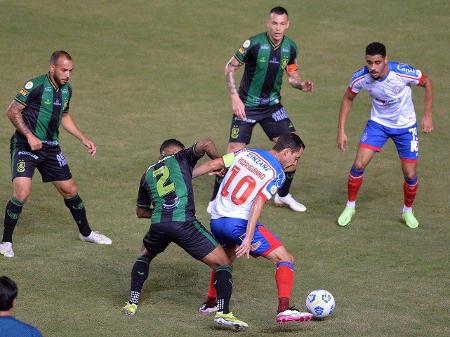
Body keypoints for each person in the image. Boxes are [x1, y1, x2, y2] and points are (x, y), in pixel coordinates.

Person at [122, 138, 248, 331]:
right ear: (175, 152)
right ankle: (223, 313)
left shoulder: (147, 174)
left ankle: (131, 302)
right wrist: (223, 163)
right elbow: (206, 143)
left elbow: (140, 212)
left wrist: (163, 212)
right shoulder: (180, 157)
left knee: (144, 255)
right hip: (184, 224)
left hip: (159, 225)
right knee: (223, 263)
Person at [0, 50, 111, 258]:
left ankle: (86, 233)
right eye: (64, 70)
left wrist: (83, 137)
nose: (68, 74)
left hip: (50, 148)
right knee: (22, 192)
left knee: (70, 190)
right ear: (52, 68)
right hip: (26, 145)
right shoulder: (36, 86)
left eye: (70, 70)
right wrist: (30, 136)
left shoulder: (67, 90)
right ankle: (6, 241)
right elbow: (12, 111)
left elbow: (64, 115)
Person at [198, 133, 314, 324]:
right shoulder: (278, 173)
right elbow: (258, 201)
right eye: (296, 157)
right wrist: (248, 237)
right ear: (286, 152)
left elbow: (213, 164)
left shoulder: (245, 152)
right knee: (285, 258)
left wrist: (185, 176)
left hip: (217, 221)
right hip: (238, 224)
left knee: (224, 260)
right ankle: (284, 309)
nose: (295, 163)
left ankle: (210, 302)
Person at [208, 6, 314, 213]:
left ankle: (282, 195)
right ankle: (215, 199)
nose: (278, 28)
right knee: (233, 154)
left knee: (294, 147)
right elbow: (230, 67)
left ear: (287, 25)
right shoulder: (254, 44)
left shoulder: (290, 47)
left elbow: (292, 75)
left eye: (282, 24)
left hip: (272, 106)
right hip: (247, 105)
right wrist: (234, 97)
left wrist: (300, 84)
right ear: (268, 23)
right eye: (274, 23)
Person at [336, 42, 433, 228]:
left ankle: (407, 211)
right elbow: (348, 98)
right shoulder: (361, 77)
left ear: (385, 60)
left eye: (377, 62)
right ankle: (350, 206)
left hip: (406, 127)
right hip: (378, 124)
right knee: (358, 164)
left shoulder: (402, 72)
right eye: (369, 62)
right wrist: (341, 130)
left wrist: (427, 115)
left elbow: (427, 82)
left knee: (410, 173)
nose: (373, 67)